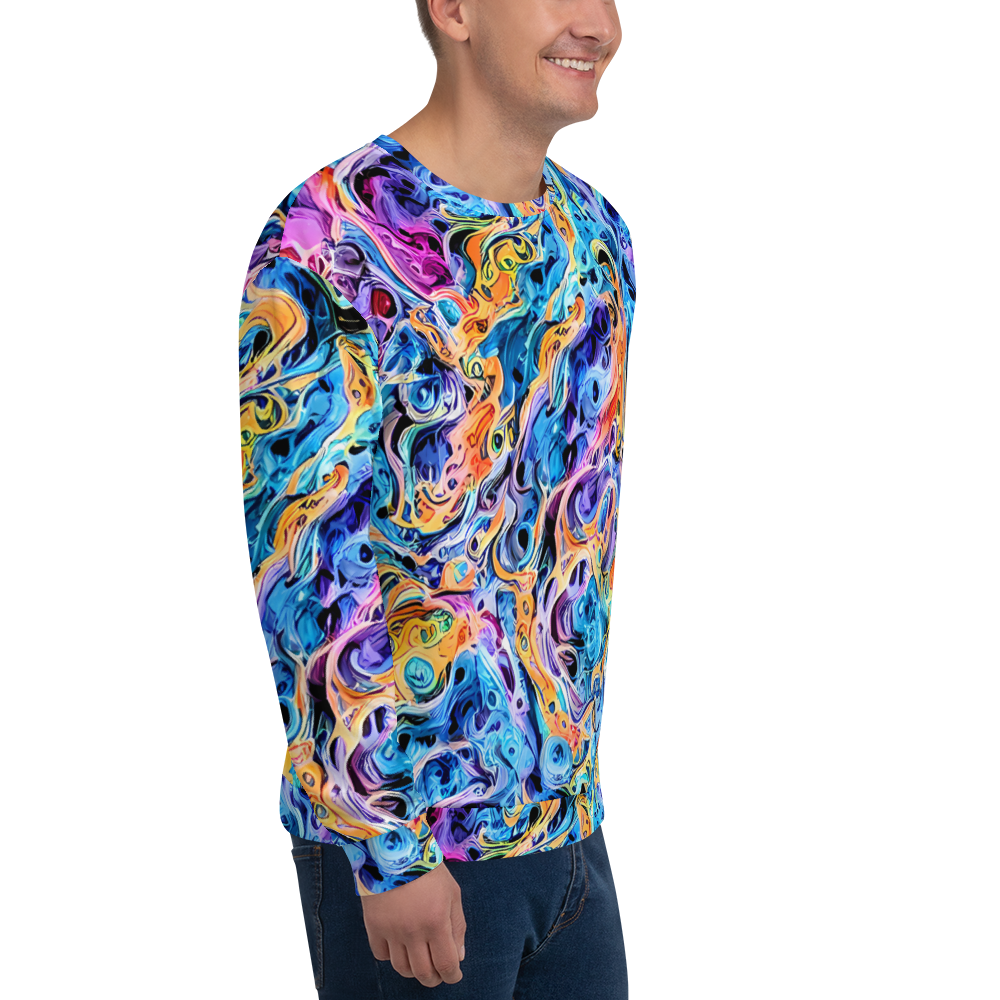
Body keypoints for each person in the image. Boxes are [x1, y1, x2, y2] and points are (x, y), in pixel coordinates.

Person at [240, 1, 633, 995]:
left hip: (570, 836)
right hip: (414, 856)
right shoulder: (329, 237)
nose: (596, 23)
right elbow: (306, 562)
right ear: (453, 8)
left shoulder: (597, 236)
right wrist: (386, 846)